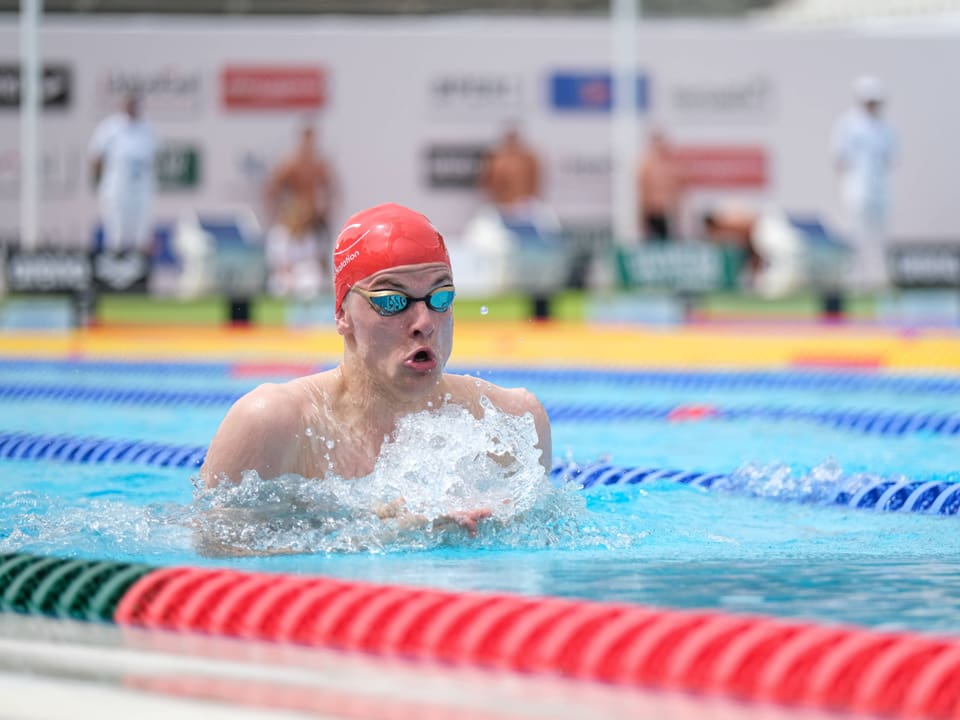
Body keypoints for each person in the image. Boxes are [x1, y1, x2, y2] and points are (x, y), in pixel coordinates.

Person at [200, 202, 552, 542]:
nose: (424, 323)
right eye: (392, 301)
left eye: (441, 297)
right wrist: (381, 533)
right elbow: (215, 553)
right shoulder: (273, 423)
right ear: (342, 314)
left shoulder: (512, 423)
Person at [830, 75, 898, 291]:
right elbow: (839, 157)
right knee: (855, 233)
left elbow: (891, 156)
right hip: (857, 188)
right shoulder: (848, 124)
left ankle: (881, 277)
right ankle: (855, 279)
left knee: (881, 234)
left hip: (881, 188)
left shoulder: (886, 127)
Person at [87, 92, 157, 252]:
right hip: (117, 186)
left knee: (142, 232)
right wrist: (98, 181)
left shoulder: (148, 128)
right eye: (129, 103)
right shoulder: (110, 128)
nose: (132, 107)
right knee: (116, 232)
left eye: (135, 104)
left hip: (141, 187)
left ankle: (140, 271)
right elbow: (95, 156)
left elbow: (155, 156)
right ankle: (115, 269)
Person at [264, 124, 338, 254]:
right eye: (306, 141)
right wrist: (279, 211)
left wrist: (325, 210)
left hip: (313, 218)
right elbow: (272, 190)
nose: (309, 146)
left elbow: (332, 189)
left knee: (319, 254)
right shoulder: (290, 165)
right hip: (295, 217)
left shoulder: (319, 165)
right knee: (287, 252)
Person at [264, 197, 329, 300]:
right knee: (284, 284)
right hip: (285, 276)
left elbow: (317, 261)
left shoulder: (311, 235)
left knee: (313, 279)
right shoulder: (279, 234)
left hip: (305, 274)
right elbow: (278, 263)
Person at [637, 129, 685, 242]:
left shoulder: (672, 166)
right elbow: (643, 192)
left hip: (669, 211)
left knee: (669, 240)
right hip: (652, 211)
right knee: (652, 240)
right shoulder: (647, 166)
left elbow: (678, 190)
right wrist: (643, 214)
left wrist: (676, 208)